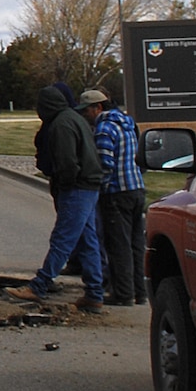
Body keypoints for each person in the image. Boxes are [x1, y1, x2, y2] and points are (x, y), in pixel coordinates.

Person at [10, 84, 106, 311]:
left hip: (76, 188)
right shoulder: (75, 118)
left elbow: (67, 164)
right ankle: (94, 293)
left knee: (63, 238)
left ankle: (40, 285)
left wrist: (63, 185)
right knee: (87, 241)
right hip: (91, 186)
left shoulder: (61, 125)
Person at [80, 89, 146, 306]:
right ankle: (140, 291)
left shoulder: (104, 128)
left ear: (98, 107)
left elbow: (105, 164)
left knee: (119, 245)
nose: (86, 115)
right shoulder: (126, 123)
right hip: (136, 189)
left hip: (117, 193)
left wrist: (97, 190)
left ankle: (123, 294)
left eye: (87, 111)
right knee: (136, 245)